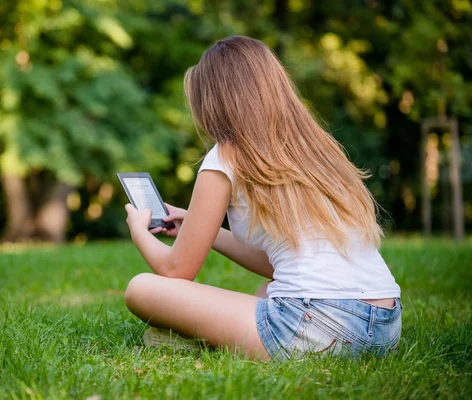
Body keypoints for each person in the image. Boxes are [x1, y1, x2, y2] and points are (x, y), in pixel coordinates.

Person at [123, 36, 401, 360]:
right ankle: (218, 338)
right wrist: (202, 230)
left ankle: (205, 339)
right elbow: (280, 263)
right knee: (268, 291)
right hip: (384, 327)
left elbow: (175, 270)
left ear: (213, 101)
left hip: (314, 323)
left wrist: (139, 230)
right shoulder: (314, 149)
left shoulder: (226, 155)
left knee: (140, 288)